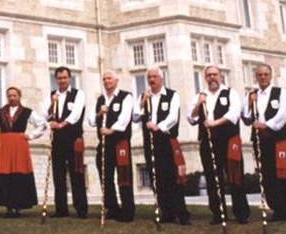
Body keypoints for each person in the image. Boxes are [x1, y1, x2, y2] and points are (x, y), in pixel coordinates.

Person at [187, 65, 250, 224]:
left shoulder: (231, 93)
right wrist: (198, 105)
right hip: (208, 143)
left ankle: (241, 213)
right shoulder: (200, 96)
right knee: (212, 178)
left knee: (235, 176)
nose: (212, 77)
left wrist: (214, 123)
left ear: (220, 76)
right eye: (209, 75)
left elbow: (234, 114)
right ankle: (218, 213)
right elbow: (191, 118)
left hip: (228, 141)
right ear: (205, 78)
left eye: (214, 74)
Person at [134, 66, 190, 225]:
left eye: (154, 77)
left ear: (161, 78)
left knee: (173, 177)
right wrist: (143, 102)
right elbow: (135, 117)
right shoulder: (144, 97)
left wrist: (158, 126)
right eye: (149, 77)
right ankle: (166, 212)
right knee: (156, 178)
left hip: (166, 140)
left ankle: (182, 213)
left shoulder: (172, 95)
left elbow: (173, 117)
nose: (152, 80)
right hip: (150, 143)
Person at [242, 63, 286, 222]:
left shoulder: (281, 93)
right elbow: (246, 118)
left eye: (266, 74)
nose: (263, 77)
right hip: (261, 142)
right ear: (256, 77)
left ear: (270, 76)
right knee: (267, 176)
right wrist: (249, 104)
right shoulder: (252, 95)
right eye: (260, 75)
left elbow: (284, 114)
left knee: (284, 174)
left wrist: (267, 125)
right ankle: (277, 209)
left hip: (279, 140)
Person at [0, 86, 46, 217]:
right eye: (9, 96)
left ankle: (18, 206)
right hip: (4, 145)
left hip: (19, 145)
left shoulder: (27, 112)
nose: (12, 98)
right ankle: (8, 206)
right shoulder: (0, 112)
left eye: (14, 95)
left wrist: (31, 136)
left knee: (19, 172)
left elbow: (42, 124)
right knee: (5, 173)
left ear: (19, 96)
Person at [88, 70, 135, 222]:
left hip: (120, 142)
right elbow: (91, 121)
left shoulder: (126, 97)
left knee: (124, 177)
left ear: (116, 81)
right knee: (105, 177)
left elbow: (125, 118)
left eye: (109, 79)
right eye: (104, 79)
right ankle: (112, 208)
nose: (107, 81)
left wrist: (111, 130)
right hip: (104, 144)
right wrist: (99, 114)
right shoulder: (101, 99)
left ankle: (128, 211)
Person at [42, 66, 88, 219]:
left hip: (73, 138)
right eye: (59, 78)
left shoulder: (78, 94)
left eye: (64, 78)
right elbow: (46, 116)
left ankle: (81, 209)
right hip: (57, 140)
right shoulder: (52, 95)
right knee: (58, 174)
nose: (62, 80)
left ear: (70, 78)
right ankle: (61, 209)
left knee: (77, 173)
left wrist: (61, 124)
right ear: (56, 79)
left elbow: (75, 115)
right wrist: (51, 104)